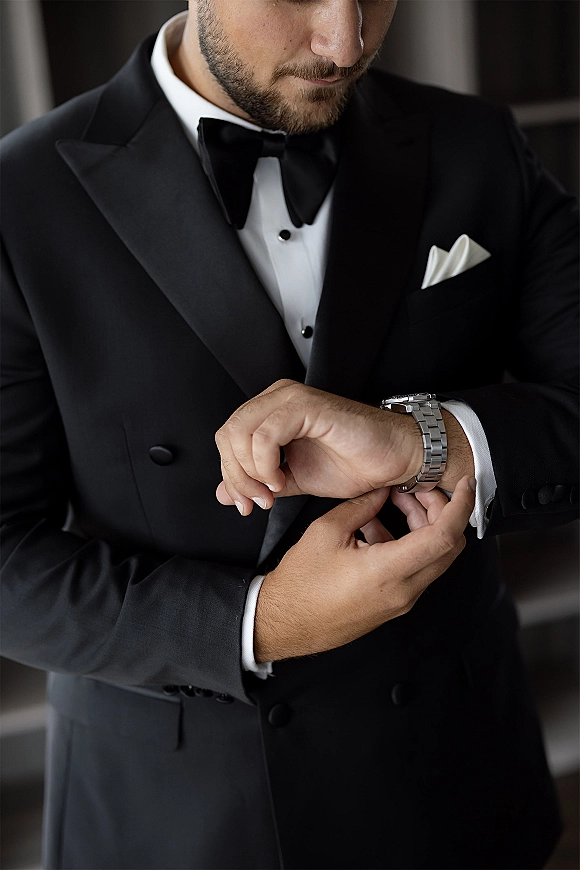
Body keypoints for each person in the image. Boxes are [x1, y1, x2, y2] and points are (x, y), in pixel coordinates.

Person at [1, 1, 577, 868]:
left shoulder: (478, 145)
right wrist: (259, 623)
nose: (344, 44)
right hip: (176, 814)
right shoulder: (18, 197)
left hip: (451, 776)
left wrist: (422, 438)